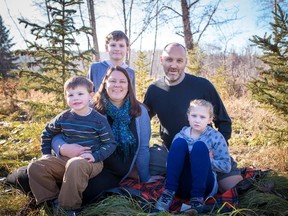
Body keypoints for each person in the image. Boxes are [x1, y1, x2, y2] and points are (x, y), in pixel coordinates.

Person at [143, 42, 243, 193]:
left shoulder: (202, 85)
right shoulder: (154, 90)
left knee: (235, 189)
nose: (174, 65)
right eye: (169, 60)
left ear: (185, 62)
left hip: (205, 151)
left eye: (179, 60)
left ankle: (214, 176)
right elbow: (142, 120)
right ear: (161, 60)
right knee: (136, 169)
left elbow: (223, 121)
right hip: (171, 152)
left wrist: (216, 150)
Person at [27, 76, 117, 213]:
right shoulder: (64, 117)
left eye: (80, 94)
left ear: (90, 96)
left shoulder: (98, 120)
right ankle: (51, 201)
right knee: (35, 166)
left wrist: (95, 156)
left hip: (90, 162)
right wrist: (46, 153)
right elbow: (47, 133)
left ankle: (69, 207)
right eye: (71, 95)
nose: (75, 98)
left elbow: (110, 143)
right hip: (65, 160)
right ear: (66, 98)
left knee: (75, 163)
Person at [155, 99, 231, 213]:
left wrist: (206, 160)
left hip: (204, 186)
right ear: (188, 116)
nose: (197, 120)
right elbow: (169, 163)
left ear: (210, 119)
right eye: (194, 115)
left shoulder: (215, 137)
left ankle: (197, 201)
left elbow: (226, 166)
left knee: (200, 147)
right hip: (180, 186)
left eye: (202, 117)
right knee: (179, 143)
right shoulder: (180, 135)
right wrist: (189, 159)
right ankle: (168, 194)